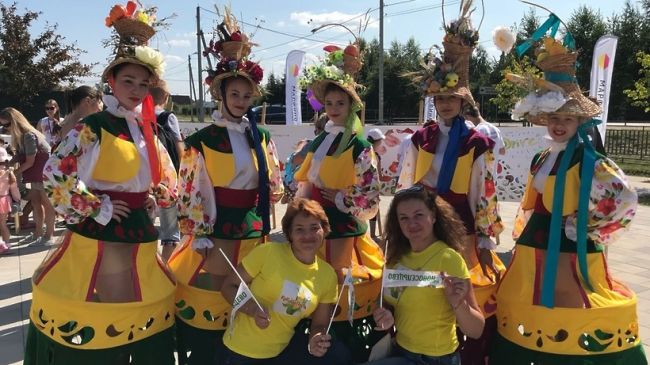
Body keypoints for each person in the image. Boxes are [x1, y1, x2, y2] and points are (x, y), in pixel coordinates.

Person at [24, 3, 177, 364]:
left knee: (133, 302)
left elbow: (168, 177)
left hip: (140, 226)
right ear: (111, 82)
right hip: (105, 228)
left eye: (143, 84)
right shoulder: (93, 127)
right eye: (128, 81)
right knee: (115, 306)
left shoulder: (147, 130)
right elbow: (55, 174)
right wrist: (97, 205)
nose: (137, 90)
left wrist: (158, 196)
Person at [491, 24, 645, 364]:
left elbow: (625, 198)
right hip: (537, 242)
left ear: (579, 122)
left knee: (567, 304)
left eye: (567, 118)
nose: (558, 124)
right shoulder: (544, 155)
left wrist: (586, 225)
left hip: (569, 247)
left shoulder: (588, 158)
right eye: (553, 118)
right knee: (532, 302)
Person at [167, 9, 283, 364]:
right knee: (220, 285)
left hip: (252, 221)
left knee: (250, 284)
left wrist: (276, 193)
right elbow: (189, 190)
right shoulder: (201, 139)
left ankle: (245, 341)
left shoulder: (259, 134)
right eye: (235, 94)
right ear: (221, 94)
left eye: (247, 97)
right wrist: (197, 230)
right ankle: (214, 348)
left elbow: (274, 178)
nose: (241, 102)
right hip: (218, 222)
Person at [397, 7, 504, 364]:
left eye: (451, 99)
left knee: (461, 291)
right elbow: (406, 184)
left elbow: (484, 192)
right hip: (422, 222)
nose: (445, 104)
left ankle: (468, 353)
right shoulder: (419, 139)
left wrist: (485, 236)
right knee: (422, 288)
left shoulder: (476, 143)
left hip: (459, 224)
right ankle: (417, 340)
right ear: (434, 102)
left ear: (462, 101)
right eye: (440, 99)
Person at [295, 38, 384, 362]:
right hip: (312, 224)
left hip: (341, 225)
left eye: (340, 104)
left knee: (338, 281)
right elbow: (306, 181)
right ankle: (314, 335)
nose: (334, 108)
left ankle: (338, 339)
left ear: (351, 107)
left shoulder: (359, 145)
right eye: (329, 102)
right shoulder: (320, 140)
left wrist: (343, 198)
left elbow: (371, 194)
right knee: (313, 279)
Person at [221, 198, 351, 365]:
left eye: (314, 228)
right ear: (289, 233)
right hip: (240, 352)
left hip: (282, 353)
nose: (308, 236)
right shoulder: (267, 253)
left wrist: (316, 340)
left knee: (338, 355)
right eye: (299, 229)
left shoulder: (327, 275)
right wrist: (251, 309)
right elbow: (228, 287)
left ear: (324, 230)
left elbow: (319, 324)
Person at [365, 186, 485, 365]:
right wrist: (384, 315)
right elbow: (384, 301)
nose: (411, 223)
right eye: (403, 218)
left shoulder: (449, 259)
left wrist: (459, 303)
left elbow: (476, 330)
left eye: (418, 215)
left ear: (434, 216)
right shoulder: (394, 258)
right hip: (401, 351)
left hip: (437, 359)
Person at [0, 107, 55, 246]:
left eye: (7, 125)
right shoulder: (21, 136)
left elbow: (30, 161)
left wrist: (11, 173)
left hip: (43, 172)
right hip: (37, 172)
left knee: (46, 204)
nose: (5, 128)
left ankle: (49, 235)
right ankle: (38, 232)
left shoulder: (29, 135)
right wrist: (9, 164)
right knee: (36, 203)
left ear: (15, 122)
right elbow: (20, 155)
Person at [150, 80, 183, 261]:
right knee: (170, 230)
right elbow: (179, 147)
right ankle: (167, 267)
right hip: (167, 180)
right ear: (165, 96)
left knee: (147, 227)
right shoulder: (168, 117)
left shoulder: (136, 116)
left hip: (145, 179)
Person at [282, 114, 328, 203]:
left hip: (310, 190)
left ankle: (288, 194)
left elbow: (295, 160)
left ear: (319, 129)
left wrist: (300, 146)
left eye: (316, 130)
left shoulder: (314, 143)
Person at [366, 128, 386, 242]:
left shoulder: (376, 155)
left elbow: (379, 174)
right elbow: (379, 174)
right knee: (369, 209)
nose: (381, 144)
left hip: (371, 186)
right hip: (368, 186)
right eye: (379, 141)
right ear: (375, 141)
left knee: (373, 209)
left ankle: (374, 234)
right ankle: (373, 234)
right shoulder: (370, 154)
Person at [0, 146, 20, 254]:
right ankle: (7, 244)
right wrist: (17, 199)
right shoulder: (9, 172)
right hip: (4, 200)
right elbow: (14, 188)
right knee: (3, 224)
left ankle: (1, 244)